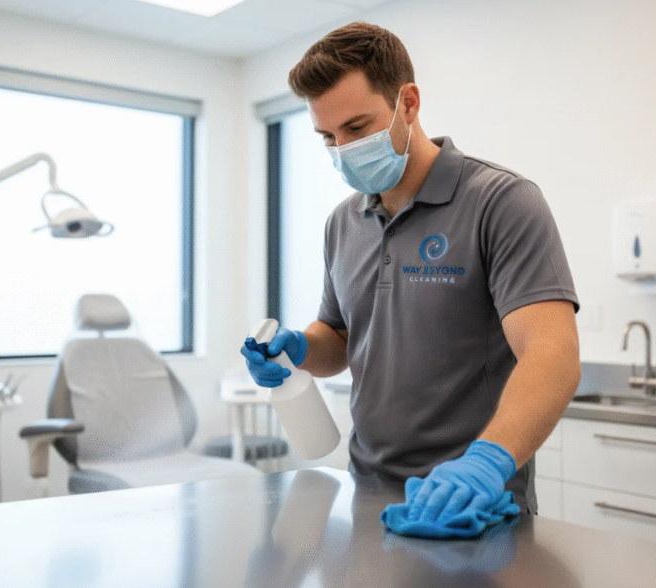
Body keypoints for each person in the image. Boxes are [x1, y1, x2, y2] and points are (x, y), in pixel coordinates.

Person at [241, 22, 581, 523]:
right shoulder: (343, 223)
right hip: (367, 493)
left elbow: (553, 353)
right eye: (327, 137)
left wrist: (487, 463)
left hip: (473, 503)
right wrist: (299, 348)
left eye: (356, 128)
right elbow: (340, 337)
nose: (342, 149)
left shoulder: (501, 202)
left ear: (409, 103)